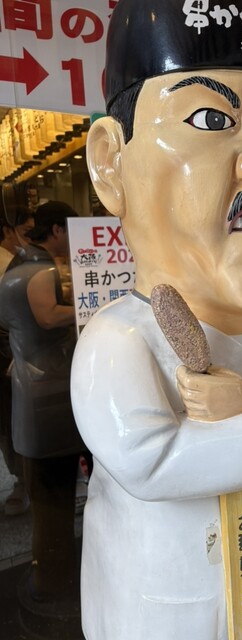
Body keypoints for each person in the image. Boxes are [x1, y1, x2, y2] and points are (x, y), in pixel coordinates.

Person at [71, 1, 242, 639]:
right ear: (112, 163)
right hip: (161, 599)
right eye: (210, 118)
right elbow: (148, 460)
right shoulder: (121, 339)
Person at [0, 201, 86, 615]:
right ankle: (53, 586)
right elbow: (48, 316)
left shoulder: (23, 262)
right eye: (72, 231)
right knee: (53, 498)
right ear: (57, 230)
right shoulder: (38, 269)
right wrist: (96, 305)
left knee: (54, 495)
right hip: (46, 400)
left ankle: (54, 576)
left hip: (41, 393)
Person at [0, 206, 35, 516]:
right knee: (9, 419)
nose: (31, 238)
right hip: (7, 353)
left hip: (24, 350)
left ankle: (28, 479)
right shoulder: (10, 265)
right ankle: (21, 481)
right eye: (26, 232)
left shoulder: (25, 260)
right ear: (8, 232)